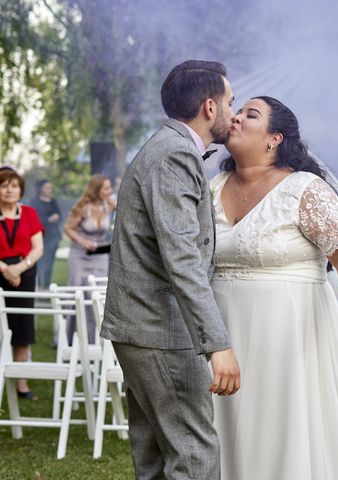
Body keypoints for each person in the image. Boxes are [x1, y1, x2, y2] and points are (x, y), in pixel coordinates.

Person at [210, 96, 338, 479]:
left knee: (280, 425)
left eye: (250, 114)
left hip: (290, 337)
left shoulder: (304, 189)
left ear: (275, 138)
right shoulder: (212, 187)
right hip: (221, 333)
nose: (236, 117)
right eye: (237, 110)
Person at [100, 60, 240, 479]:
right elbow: (182, 257)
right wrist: (218, 345)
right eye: (231, 102)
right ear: (210, 107)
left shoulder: (165, 147)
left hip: (141, 329)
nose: (234, 112)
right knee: (194, 453)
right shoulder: (176, 154)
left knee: (156, 460)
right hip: (159, 331)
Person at [0, 169, 44, 400]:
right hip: (0, 273)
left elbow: (38, 248)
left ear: (21, 190)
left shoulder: (29, 213)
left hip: (24, 274)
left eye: (14, 186)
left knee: (23, 327)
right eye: (4, 185)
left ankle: (22, 385)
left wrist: (18, 268)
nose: (9, 190)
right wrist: (5, 269)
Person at [63, 174, 116, 343]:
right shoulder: (83, 207)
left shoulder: (109, 205)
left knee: (97, 293)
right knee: (78, 291)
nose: (110, 191)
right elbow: (68, 228)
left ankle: (94, 338)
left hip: (100, 255)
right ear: (97, 190)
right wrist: (83, 241)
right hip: (80, 254)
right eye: (106, 188)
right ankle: (70, 336)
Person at [29, 179, 62, 289]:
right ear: (40, 189)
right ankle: (38, 285)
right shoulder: (34, 202)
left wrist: (57, 218)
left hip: (53, 236)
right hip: (41, 237)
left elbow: (60, 216)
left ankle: (46, 285)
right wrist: (48, 220)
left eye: (50, 187)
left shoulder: (53, 201)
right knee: (39, 261)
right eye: (46, 187)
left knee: (50, 261)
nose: (49, 190)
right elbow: (34, 219)